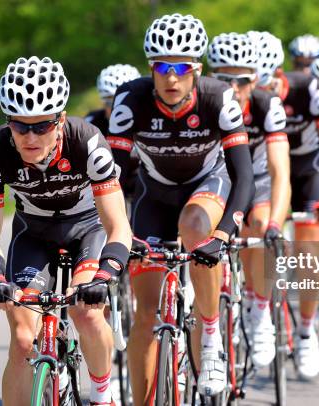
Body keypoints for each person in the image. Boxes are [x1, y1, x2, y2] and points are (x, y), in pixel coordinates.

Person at [106, 14, 254, 403]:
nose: (171, 77)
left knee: (193, 225)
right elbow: (113, 179)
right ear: (151, 69)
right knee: (145, 317)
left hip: (207, 186)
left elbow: (244, 177)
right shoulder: (130, 99)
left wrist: (221, 236)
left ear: (197, 70)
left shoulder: (218, 98)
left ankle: (209, 339)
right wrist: (117, 233)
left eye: (181, 67)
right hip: (153, 197)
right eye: (162, 67)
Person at [0, 56, 132, 406]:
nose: (30, 137)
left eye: (42, 126)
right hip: (33, 234)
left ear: (61, 120)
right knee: (21, 338)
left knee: (86, 312)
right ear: (8, 123)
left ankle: (103, 395)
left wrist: (106, 274)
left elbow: (118, 225)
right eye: (20, 126)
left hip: (87, 231)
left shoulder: (88, 143)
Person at [251, 31, 319, 379]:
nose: (263, 94)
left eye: (266, 85)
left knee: (308, 250)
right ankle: (255, 301)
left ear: (279, 75)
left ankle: (306, 332)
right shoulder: (248, 97)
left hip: (308, 171)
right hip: (268, 169)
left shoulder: (309, 90)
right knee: (258, 231)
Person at [208, 32, 290, 368]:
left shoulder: (267, 105)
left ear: (255, 80)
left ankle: (259, 311)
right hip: (218, 181)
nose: (233, 87)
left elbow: (280, 170)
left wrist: (274, 224)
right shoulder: (204, 102)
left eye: (240, 80)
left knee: (258, 226)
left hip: (258, 180)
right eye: (223, 79)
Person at [86, 64, 142, 201]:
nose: (119, 109)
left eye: (127, 101)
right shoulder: (92, 123)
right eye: (111, 103)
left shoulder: (150, 120)